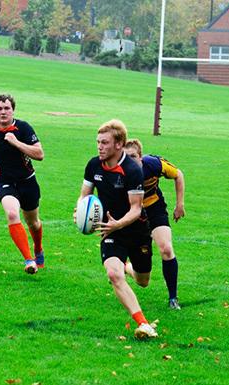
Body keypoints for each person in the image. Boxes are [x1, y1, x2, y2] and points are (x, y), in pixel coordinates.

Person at [75, 119, 158, 339]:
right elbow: (84, 195)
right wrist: (79, 211)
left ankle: (129, 267)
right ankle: (143, 323)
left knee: (143, 281)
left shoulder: (131, 170)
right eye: (98, 142)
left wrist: (117, 223)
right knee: (113, 273)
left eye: (104, 142)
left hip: (136, 230)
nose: (99, 147)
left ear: (119, 144)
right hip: (110, 231)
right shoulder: (93, 165)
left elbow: (136, 209)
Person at [0, 94, 45, 274]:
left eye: (7, 108)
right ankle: (29, 260)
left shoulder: (24, 128)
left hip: (28, 182)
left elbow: (39, 154)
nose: (3, 112)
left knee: (33, 223)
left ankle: (38, 249)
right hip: (5, 182)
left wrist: (16, 142)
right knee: (12, 214)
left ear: (13, 110)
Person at [124, 139, 185, 310]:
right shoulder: (119, 171)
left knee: (166, 248)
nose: (130, 160)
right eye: (126, 157)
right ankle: (125, 267)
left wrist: (179, 205)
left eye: (133, 156)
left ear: (141, 157)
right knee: (142, 281)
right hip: (131, 214)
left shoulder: (153, 165)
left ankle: (173, 298)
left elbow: (178, 174)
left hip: (154, 208)